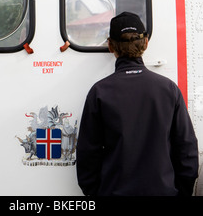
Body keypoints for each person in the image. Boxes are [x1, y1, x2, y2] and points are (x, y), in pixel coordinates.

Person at [76, 12, 198, 196]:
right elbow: (186, 149)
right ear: (146, 43)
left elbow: (87, 155)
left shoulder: (100, 92)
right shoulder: (169, 90)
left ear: (110, 46)